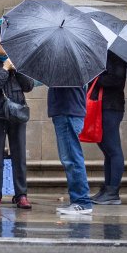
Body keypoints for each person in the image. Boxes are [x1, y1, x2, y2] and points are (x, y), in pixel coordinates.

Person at [0, 26, 34, 209]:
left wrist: (17, 69)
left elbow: (29, 86)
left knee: (19, 154)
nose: (5, 45)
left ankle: (21, 195)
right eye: (1, 42)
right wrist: (4, 69)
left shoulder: (18, 62)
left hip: (17, 113)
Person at [89, 51, 127, 205]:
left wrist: (96, 77)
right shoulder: (104, 55)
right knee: (107, 150)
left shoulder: (117, 57)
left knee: (113, 149)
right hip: (103, 107)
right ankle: (108, 188)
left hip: (111, 107)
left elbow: (116, 80)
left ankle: (113, 192)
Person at [48, 85, 93, 215]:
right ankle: (79, 200)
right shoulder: (70, 69)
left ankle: (82, 201)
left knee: (72, 159)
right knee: (70, 158)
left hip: (68, 112)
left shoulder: (67, 69)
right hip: (67, 112)